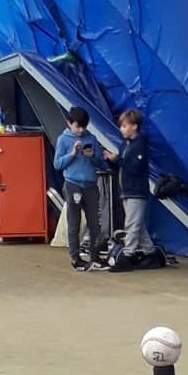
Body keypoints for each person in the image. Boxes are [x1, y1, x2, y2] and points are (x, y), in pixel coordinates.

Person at [53, 106, 108, 271]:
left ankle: (94, 256)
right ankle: (75, 258)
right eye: (78, 126)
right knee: (74, 222)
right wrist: (72, 153)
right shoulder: (63, 139)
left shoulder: (92, 138)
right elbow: (57, 164)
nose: (81, 130)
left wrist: (94, 157)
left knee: (95, 223)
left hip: (91, 185)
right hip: (72, 184)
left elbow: (102, 164)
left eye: (84, 126)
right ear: (69, 123)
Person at [102, 108, 155, 271]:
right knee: (137, 225)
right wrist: (113, 161)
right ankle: (150, 253)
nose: (121, 129)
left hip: (137, 192)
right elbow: (122, 167)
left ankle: (127, 256)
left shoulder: (140, 146)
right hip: (126, 190)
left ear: (134, 126)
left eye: (124, 126)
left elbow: (134, 168)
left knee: (131, 225)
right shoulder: (125, 145)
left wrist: (117, 159)